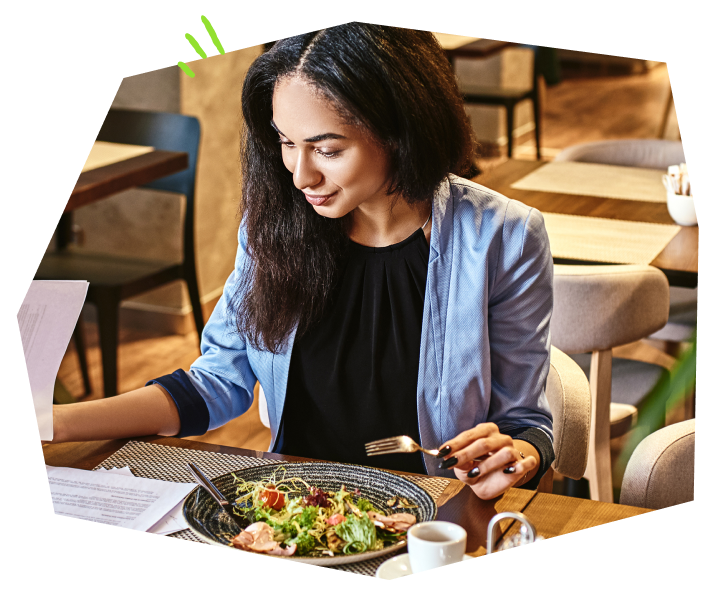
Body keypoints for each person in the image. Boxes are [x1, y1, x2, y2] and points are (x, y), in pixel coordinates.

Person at [45, 24, 555, 501]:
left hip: (429, 518)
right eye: (287, 144)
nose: (300, 176)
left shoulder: (503, 237)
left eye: (327, 149)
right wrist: (53, 422)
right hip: (294, 511)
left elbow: (524, 423)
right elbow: (215, 383)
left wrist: (520, 454)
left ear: (402, 128)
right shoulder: (275, 226)